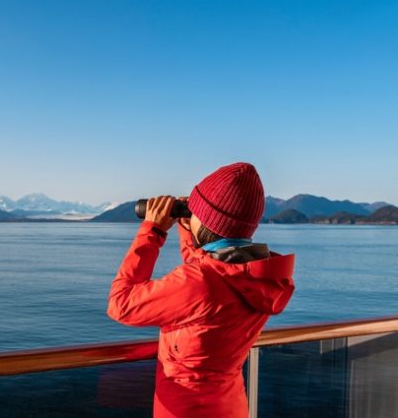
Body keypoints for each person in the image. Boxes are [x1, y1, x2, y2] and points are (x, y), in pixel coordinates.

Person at [106, 162, 295, 418]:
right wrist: (189, 228)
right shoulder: (255, 272)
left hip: (186, 409)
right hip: (229, 406)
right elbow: (204, 275)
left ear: (206, 221)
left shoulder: (202, 282)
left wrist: (152, 231)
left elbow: (121, 304)